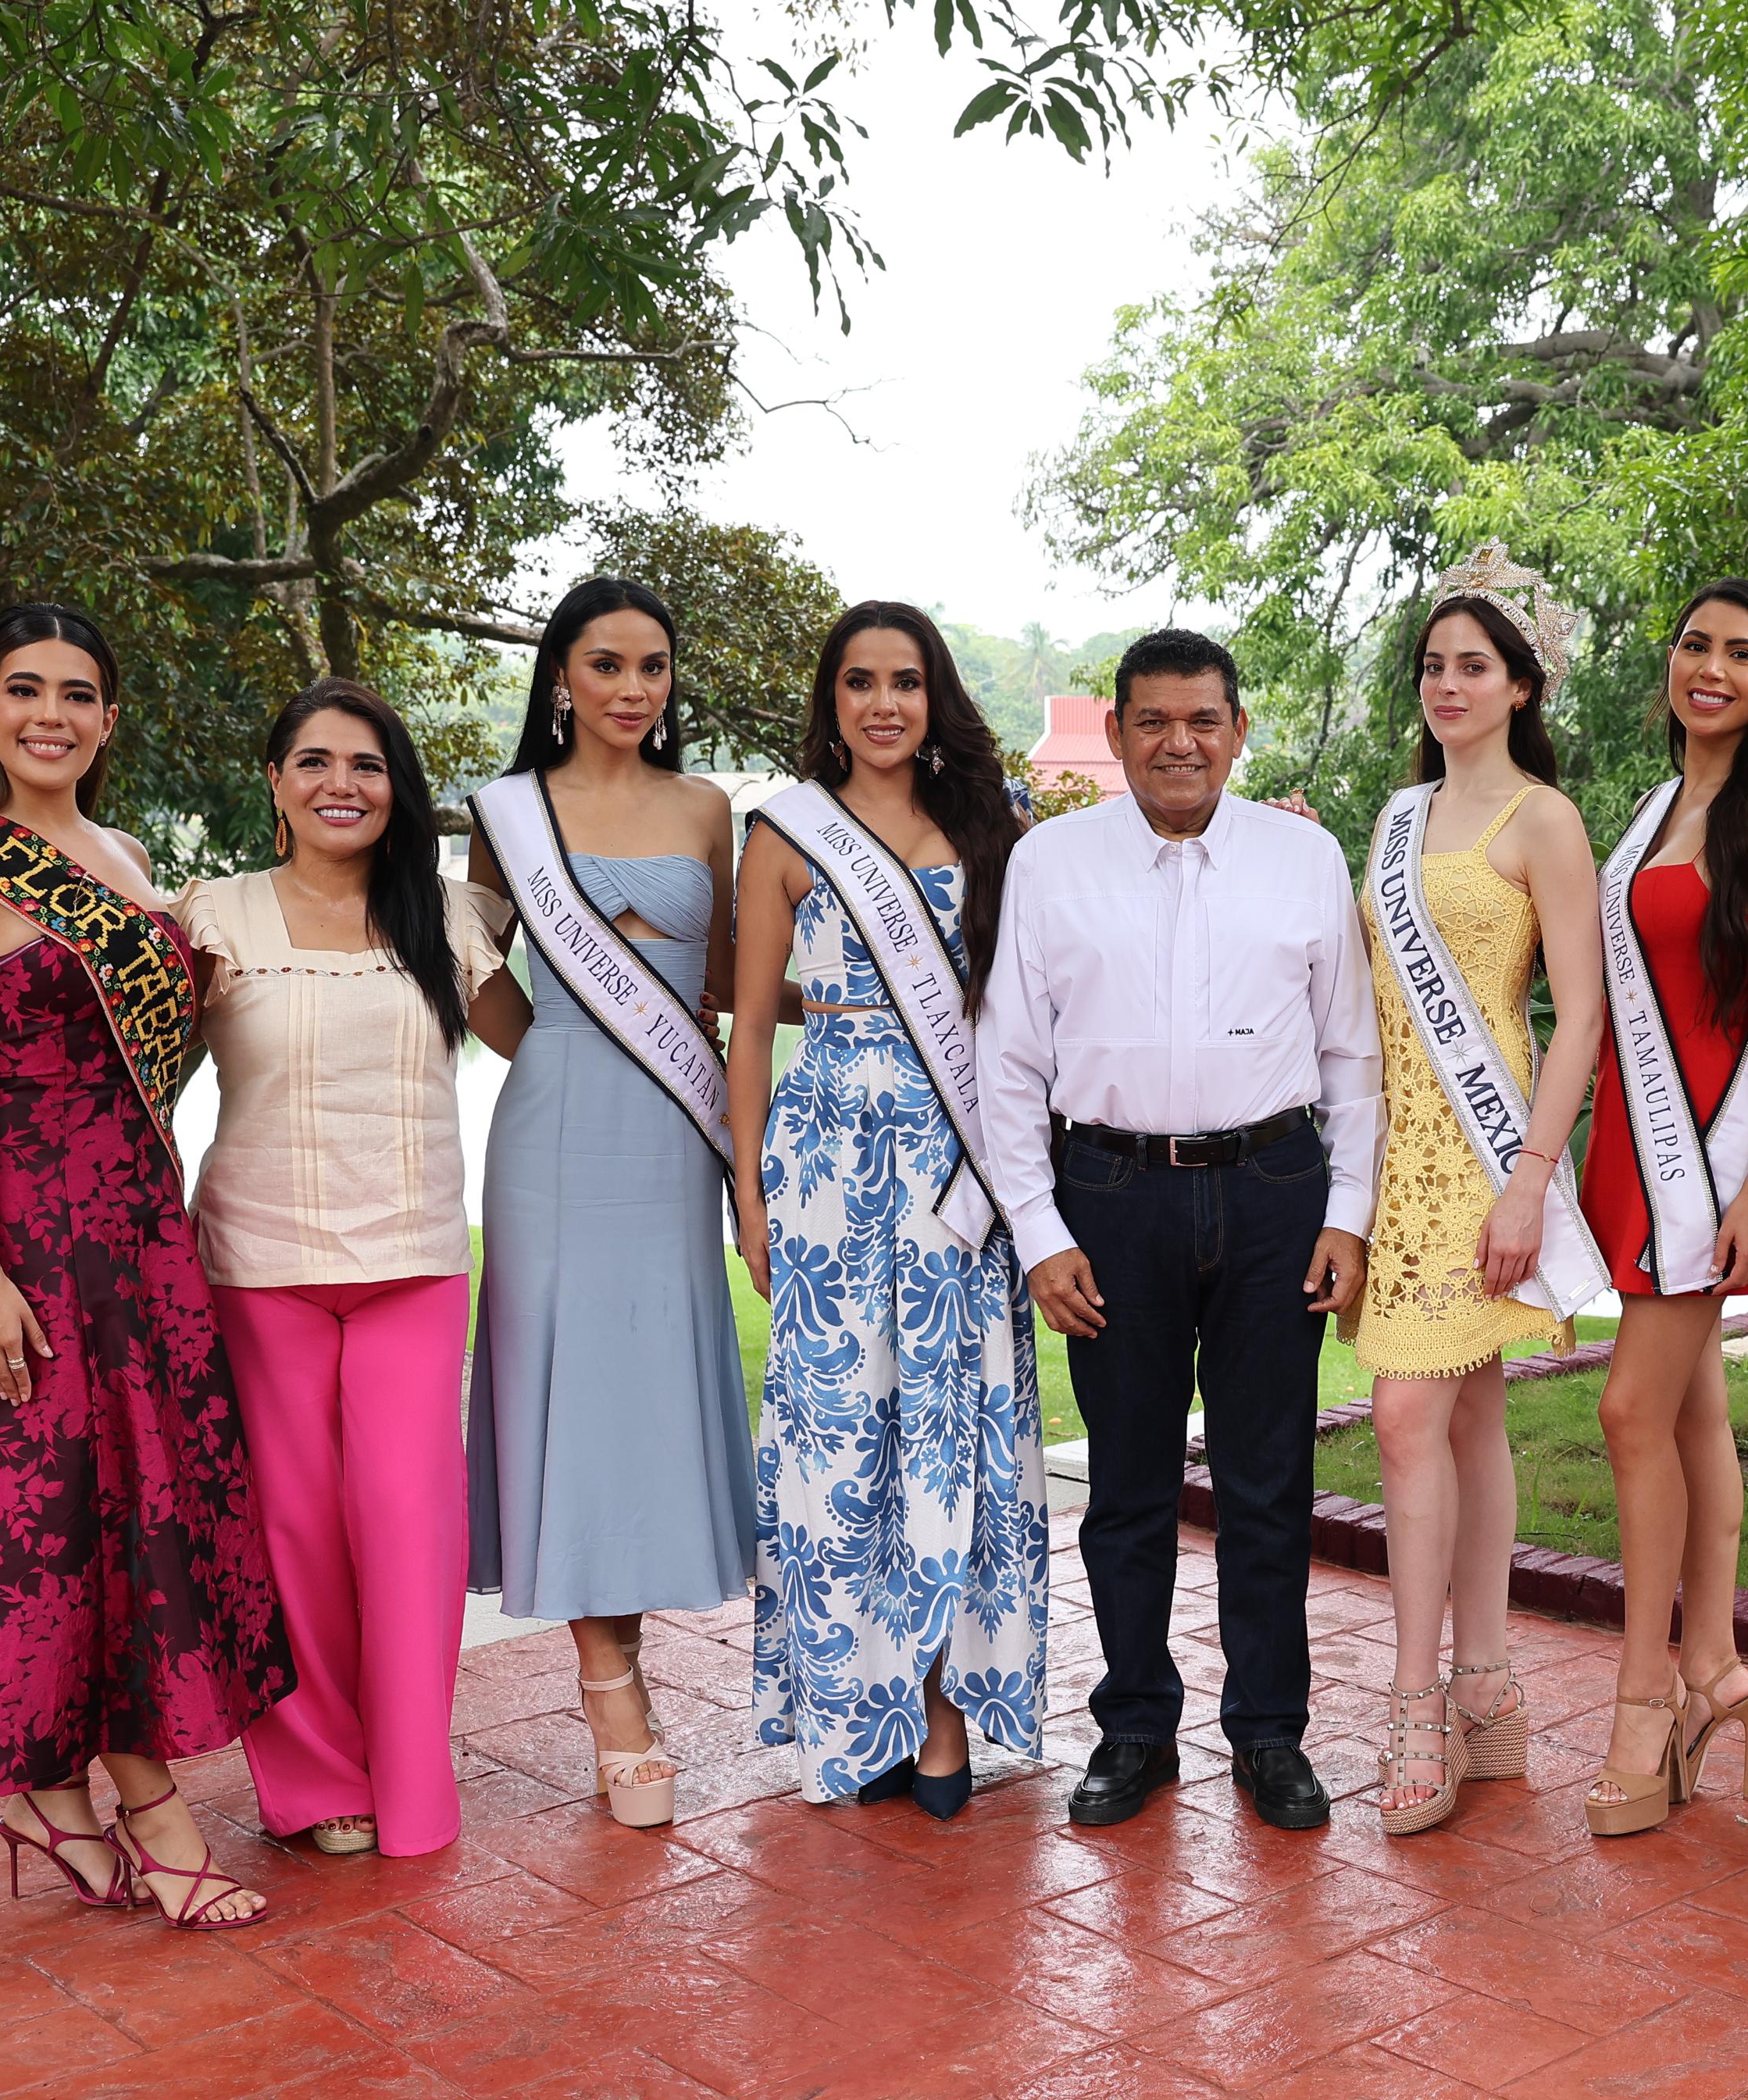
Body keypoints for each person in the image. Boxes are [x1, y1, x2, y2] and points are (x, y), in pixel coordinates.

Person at [0, 603, 289, 1930]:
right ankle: (157, 1814)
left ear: (110, 719)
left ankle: (58, 1796)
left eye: (79, 694)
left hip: (139, 1246)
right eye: (24, 690)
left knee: (125, 1532)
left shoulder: (128, 858)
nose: (51, 715)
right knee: (57, 1532)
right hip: (21, 1242)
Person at [974, 627, 1384, 1831]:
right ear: (1115, 734)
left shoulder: (1303, 857)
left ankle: (1268, 1732)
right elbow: (1009, 1065)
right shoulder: (1052, 863)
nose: (1179, 742)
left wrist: (1345, 1215)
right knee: (1128, 1484)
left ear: (1239, 729)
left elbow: (1352, 1053)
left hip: (1274, 1191)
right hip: (1111, 1196)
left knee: (1269, 1480)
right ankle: (1136, 1727)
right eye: (1152, 720)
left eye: (1203, 718)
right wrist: (1041, 1230)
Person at [180, 678, 522, 1859]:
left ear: (397, 786)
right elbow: (140, 1084)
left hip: (417, 1256)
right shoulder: (212, 915)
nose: (342, 783)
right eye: (315, 761)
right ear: (274, 783)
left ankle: (414, 1780)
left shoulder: (447, 911)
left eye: (368, 764)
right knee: (292, 1531)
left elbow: (547, 1046)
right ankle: (319, 1780)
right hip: (256, 1261)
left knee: (409, 1517)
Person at [733, 602, 1043, 1820]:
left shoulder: (991, 828)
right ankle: (855, 1705)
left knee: (952, 1427)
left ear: (936, 697)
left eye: (905, 682)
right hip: (825, 1165)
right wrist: (749, 1190)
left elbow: (1020, 1025)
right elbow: (750, 1028)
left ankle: (945, 1708)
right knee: (839, 1436)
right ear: (831, 699)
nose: (882, 704)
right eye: (859, 682)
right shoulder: (785, 833)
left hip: (957, 1167)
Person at [466, 577, 756, 1828]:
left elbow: (742, 979)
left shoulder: (706, 807)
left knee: (642, 1390)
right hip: (555, 1130)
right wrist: (554, 1049)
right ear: (561, 677)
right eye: (607, 665)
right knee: (567, 1382)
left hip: (673, 1131)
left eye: (652, 667)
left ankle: (625, 1651)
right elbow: (472, 970)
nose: (633, 689)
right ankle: (608, 1684)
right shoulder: (509, 811)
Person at [1347, 546, 1607, 1835]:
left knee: (1404, 1416)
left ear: (1521, 684)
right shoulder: (1398, 820)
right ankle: (1492, 1690)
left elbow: (1579, 1017)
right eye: (1434, 666)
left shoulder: (1543, 820)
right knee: (1466, 1421)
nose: (1449, 685)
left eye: (1474, 666)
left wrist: (1530, 1180)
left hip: (1489, 1152)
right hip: (1399, 1157)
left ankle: (1414, 1703)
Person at [1579, 577, 1748, 1838]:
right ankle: (1717, 1665)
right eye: (1693, 644)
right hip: (1642, 1145)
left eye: (1740, 652)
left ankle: (1642, 1699)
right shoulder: (1656, 807)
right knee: (1691, 1411)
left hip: (1715, 1158)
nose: (1711, 667)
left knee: (1631, 1408)